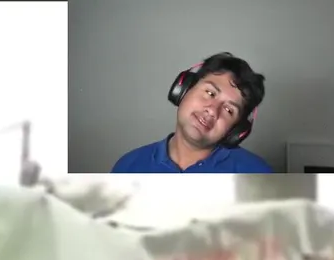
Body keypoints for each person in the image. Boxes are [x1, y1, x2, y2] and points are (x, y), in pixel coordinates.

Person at [111, 52, 272, 174]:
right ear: (184, 90)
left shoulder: (257, 174)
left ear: (236, 131)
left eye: (229, 110)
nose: (212, 110)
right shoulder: (128, 166)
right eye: (210, 93)